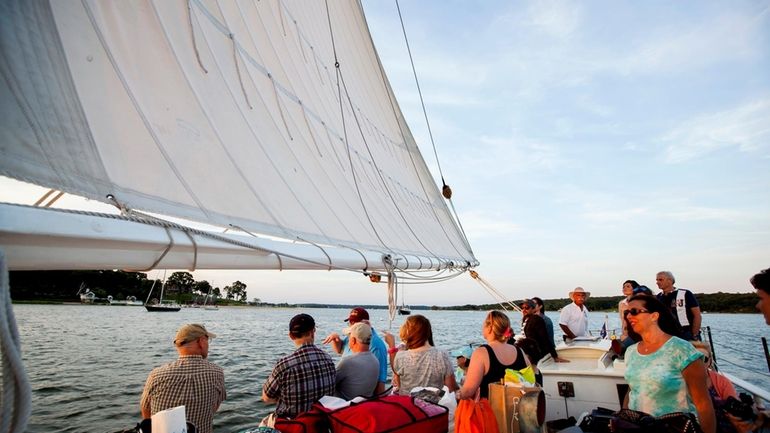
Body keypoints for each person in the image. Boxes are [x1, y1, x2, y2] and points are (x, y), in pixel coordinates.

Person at [623, 294, 715, 433]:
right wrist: (625, 418)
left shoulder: (681, 349)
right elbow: (632, 390)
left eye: (634, 311)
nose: (629, 316)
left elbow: (703, 403)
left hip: (675, 428)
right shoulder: (631, 352)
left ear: (654, 316)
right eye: (626, 313)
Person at [140, 324, 225, 433]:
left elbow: (145, 410)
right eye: (208, 340)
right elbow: (214, 408)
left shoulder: (156, 375)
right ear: (201, 342)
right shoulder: (217, 372)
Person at [455, 311, 530, 432]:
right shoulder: (519, 351)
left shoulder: (482, 353)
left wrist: (456, 394)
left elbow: (468, 391)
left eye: (484, 323)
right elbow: (530, 380)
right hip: (516, 415)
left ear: (490, 328)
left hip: (492, 418)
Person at [262, 313, 335, 419]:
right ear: (313, 332)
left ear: (291, 336)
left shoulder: (284, 365)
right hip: (321, 423)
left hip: (292, 425)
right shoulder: (328, 359)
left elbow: (266, 398)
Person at [383, 314, 457, 395]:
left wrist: (391, 346)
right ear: (428, 332)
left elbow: (398, 384)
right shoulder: (442, 355)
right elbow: (451, 389)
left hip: (407, 405)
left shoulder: (400, 357)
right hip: (435, 406)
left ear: (407, 332)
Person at [323, 307, 388, 394]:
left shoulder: (376, 346)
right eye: (350, 322)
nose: (351, 324)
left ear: (365, 323)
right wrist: (336, 340)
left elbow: (380, 380)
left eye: (354, 322)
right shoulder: (352, 335)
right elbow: (341, 350)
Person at [334, 322, 379, 400]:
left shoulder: (347, 362)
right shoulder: (375, 360)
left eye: (349, 336)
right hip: (364, 405)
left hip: (345, 407)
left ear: (353, 340)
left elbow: (330, 383)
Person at [655, 271, 702, 341]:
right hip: (667, 335)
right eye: (657, 280)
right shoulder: (658, 297)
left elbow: (697, 315)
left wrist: (695, 334)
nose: (657, 282)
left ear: (670, 281)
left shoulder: (685, 294)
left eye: (660, 280)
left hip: (686, 333)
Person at [520, 299, 568, 365]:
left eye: (527, 307)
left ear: (533, 309)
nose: (524, 310)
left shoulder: (537, 319)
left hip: (535, 352)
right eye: (522, 308)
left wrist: (555, 356)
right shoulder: (526, 319)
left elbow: (545, 338)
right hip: (527, 350)